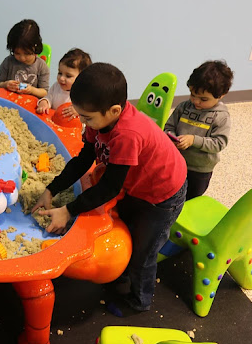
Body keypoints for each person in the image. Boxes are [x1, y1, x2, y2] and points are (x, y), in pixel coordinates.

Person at [32, 63, 187, 313]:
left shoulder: (127, 135)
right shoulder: (99, 121)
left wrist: (68, 211)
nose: (83, 122)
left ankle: (139, 301)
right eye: (81, 116)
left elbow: (110, 188)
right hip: (137, 183)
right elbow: (84, 159)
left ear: (114, 110)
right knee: (129, 227)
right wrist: (51, 189)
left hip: (163, 193)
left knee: (144, 253)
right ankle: (121, 274)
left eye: (87, 118)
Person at [164, 60, 233, 200]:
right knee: (170, 194)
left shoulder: (221, 117)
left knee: (191, 198)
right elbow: (169, 127)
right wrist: (172, 137)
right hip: (176, 162)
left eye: (203, 99)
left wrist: (194, 140)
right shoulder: (184, 107)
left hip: (199, 170)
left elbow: (219, 143)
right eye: (192, 95)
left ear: (221, 95)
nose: (196, 101)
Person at [0, 19, 50, 98]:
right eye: (17, 53)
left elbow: (44, 92)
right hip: (9, 100)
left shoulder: (41, 66)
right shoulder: (8, 62)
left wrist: (32, 90)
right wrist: (6, 84)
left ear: (35, 48)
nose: (22, 58)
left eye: (27, 53)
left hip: (31, 102)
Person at [36, 48, 92, 117]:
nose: (61, 78)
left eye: (68, 76)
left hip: (70, 123)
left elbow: (89, 111)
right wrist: (44, 103)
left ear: (82, 79)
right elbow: (49, 97)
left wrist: (78, 111)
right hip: (52, 120)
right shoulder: (56, 86)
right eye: (60, 73)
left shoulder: (83, 94)